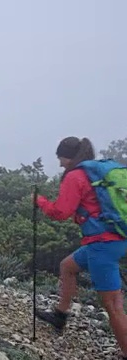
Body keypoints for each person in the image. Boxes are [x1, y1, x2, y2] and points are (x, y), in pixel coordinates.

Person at [35, 136, 127, 359]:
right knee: (67, 267)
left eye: (61, 158)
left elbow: (61, 212)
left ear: (68, 156)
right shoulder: (94, 172)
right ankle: (60, 315)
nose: (59, 164)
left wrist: (40, 201)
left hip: (101, 244)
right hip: (116, 238)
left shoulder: (76, 176)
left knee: (113, 305)